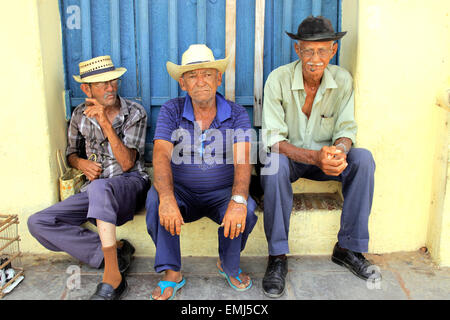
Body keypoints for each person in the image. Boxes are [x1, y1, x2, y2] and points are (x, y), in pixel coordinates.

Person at [260, 16, 381, 298]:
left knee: (363, 159)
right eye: (309, 50)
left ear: (333, 51)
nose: (315, 58)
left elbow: (346, 130)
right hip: (291, 158)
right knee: (272, 165)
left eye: (322, 50)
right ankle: (277, 257)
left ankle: (348, 248)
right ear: (298, 51)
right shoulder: (277, 80)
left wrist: (339, 151)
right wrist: (315, 156)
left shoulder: (342, 80)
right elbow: (274, 141)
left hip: (324, 160)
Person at [27, 55, 150, 300]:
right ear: (86, 88)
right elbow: (71, 154)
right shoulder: (79, 115)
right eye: (102, 84)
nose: (110, 87)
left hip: (130, 186)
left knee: (100, 187)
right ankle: (114, 252)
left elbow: (127, 163)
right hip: (95, 192)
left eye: (113, 81)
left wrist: (105, 122)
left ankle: (113, 277)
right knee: (38, 222)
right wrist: (81, 163)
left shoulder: (135, 112)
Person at [146, 44, 258, 300]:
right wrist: (167, 197)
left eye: (207, 74)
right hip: (183, 193)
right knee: (155, 201)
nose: (201, 82)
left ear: (218, 79)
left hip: (222, 193)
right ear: (183, 84)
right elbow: (161, 154)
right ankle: (172, 272)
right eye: (192, 76)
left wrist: (238, 199)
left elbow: (243, 160)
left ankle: (228, 264)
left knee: (247, 209)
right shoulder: (171, 110)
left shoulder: (237, 113)